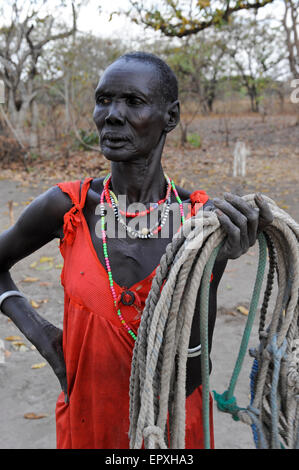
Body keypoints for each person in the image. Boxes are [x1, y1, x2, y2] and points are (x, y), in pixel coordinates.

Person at [0, 52, 273, 449]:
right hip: (86, 426)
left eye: (133, 101)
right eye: (104, 99)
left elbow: (189, 377)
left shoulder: (200, 223)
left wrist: (213, 264)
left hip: (173, 436)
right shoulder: (69, 207)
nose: (111, 114)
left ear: (171, 117)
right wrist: (44, 337)